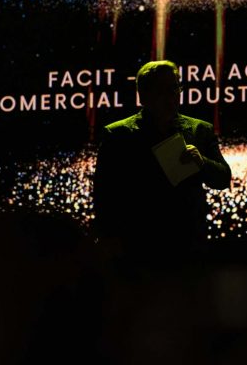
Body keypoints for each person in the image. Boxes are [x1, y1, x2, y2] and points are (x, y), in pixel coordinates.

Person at [93, 60, 232, 268]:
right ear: (144, 94)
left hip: (188, 245)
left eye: (175, 87)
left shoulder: (200, 130)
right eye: (163, 89)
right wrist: (108, 239)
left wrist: (202, 163)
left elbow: (222, 179)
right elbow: (104, 193)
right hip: (137, 246)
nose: (172, 94)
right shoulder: (118, 134)